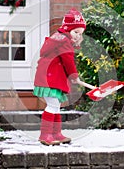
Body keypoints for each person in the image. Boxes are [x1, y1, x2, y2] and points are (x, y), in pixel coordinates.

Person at [33, 8, 86, 145]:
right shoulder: (64, 41)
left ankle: (56, 134)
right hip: (49, 79)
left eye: (80, 34)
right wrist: (74, 75)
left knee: (56, 106)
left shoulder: (58, 39)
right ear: (67, 29)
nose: (77, 36)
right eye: (75, 32)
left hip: (51, 78)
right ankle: (45, 135)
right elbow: (67, 59)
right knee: (52, 105)